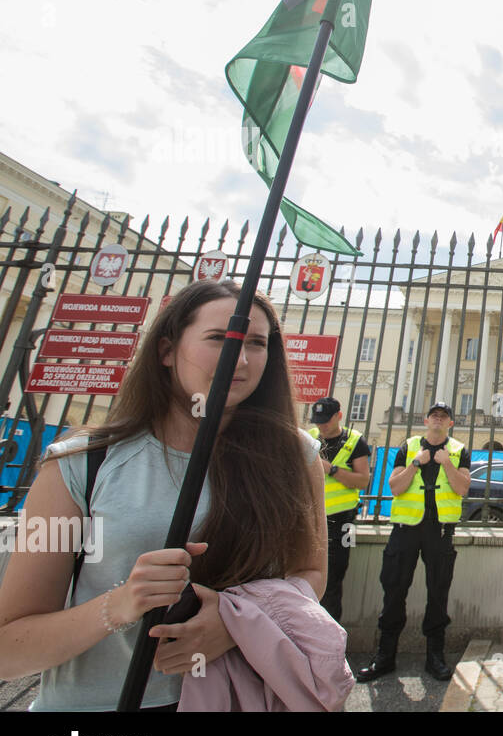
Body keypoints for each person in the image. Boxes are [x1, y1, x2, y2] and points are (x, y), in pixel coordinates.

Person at [0, 279, 327, 711]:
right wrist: (118, 605)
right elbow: (10, 648)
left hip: (240, 698)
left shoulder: (296, 456)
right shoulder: (79, 464)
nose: (241, 358)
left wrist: (236, 624)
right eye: (221, 338)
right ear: (167, 350)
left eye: (257, 343)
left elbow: (309, 573)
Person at [356, 401, 470, 683]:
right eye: (434, 416)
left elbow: (462, 488)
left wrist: (446, 464)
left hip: (440, 530)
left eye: (443, 417)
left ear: (450, 423)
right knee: (394, 591)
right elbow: (394, 487)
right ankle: (385, 656)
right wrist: (416, 463)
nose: (438, 420)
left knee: (438, 593)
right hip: (406, 529)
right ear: (425, 419)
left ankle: (435, 656)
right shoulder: (408, 448)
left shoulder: (458, 451)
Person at [306, 396, 371, 623]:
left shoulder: (355, 441)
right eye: (317, 421)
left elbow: (363, 481)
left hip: (343, 521)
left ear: (339, 416)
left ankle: (329, 633)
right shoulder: (309, 439)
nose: (321, 425)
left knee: (334, 578)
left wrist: (331, 469)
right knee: (301, 576)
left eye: (325, 420)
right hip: (309, 519)